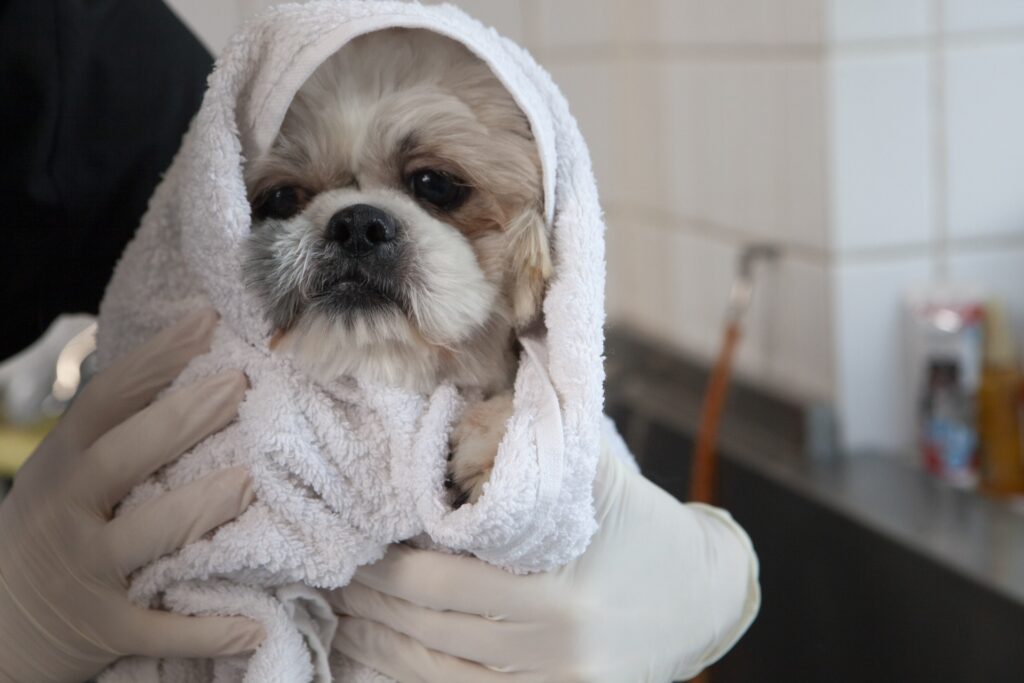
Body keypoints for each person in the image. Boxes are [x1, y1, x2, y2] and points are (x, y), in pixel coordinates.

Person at [0, 1, 760, 681]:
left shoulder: (65, 42)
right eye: (285, 198)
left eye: (437, 187)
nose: (356, 224)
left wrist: (714, 586)